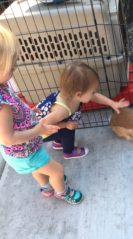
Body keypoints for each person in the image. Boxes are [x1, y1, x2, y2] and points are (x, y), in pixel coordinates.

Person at [0, 23, 83, 205]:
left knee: (38, 169)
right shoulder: (1, 106)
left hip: (23, 152)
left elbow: (14, 111)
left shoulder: (2, 85)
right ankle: (62, 192)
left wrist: (28, 111)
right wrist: (38, 129)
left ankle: (46, 188)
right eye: (11, 66)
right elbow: (8, 138)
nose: (15, 67)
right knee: (58, 171)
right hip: (25, 151)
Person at [36, 61, 130, 159]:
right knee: (68, 130)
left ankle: (58, 142)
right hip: (38, 133)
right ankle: (69, 151)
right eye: (92, 91)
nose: (94, 93)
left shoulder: (71, 94)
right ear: (79, 94)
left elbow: (95, 97)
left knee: (68, 126)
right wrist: (65, 125)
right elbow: (42, 126)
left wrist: (112, 103)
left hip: (50, 124)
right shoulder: (62, 110)